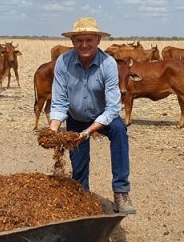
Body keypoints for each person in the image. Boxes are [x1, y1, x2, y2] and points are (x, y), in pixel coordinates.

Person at [49, 16, 136, 215]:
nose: (84, 45)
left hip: (103, 115)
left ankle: (121, 192)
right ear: (72, 42)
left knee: (119, 130)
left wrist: (88, 132)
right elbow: (60, 101)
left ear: (98, 40)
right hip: (76, 117)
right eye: (79, 40)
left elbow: (113, 107)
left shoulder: (108, 64)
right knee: (78, 165)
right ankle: (82, 195)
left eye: (89, 40)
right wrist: (53, 129)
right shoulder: (63, 62)